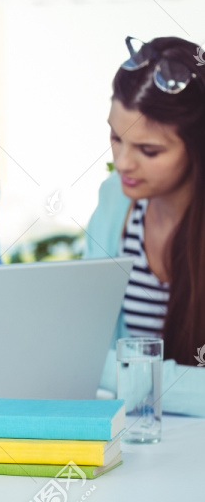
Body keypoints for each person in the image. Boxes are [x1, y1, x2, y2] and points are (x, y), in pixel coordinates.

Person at [85, 35, 205, 417]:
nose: (122, 163)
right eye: (116, 138)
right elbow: (88, 336)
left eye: (148, 151)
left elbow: (89, 362)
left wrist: (113, 373)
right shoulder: (114, 200)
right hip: (139, 443)